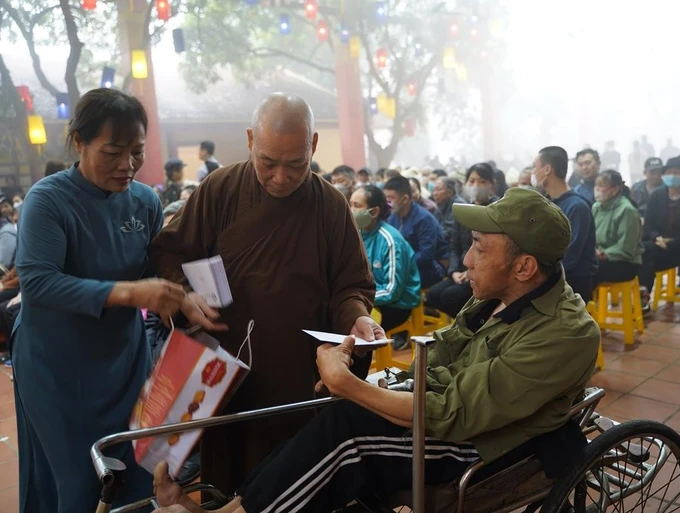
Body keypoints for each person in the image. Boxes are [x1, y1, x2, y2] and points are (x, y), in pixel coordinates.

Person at [151, 188, 600, 513]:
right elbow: (442, 353)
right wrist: (376, 385)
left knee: (348, 432)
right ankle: (233, 509)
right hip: (450, 411)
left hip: (487, 442)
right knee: (327, 410)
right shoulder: (494, 297)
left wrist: (351, 385)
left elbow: (456, 413)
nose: (466, 260)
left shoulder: (566, 334)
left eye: (480, 249)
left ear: (523, 266)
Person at [150, 92, 381, 496]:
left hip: (298, 375)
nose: (280, 177)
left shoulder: (330, 206)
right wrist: (185, 296)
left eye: (296, 165)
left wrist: (356, 318)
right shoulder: (220, 189)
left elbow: (350, 286)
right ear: (250, 140)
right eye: (268, 163)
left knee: (294, 483)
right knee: (226, 477)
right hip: (224, 373)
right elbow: (171, 251)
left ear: (312, 146)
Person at [11, 88, 221, 513]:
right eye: (112, 151)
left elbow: (155, 268)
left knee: (142, 469)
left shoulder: (143, 201)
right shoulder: (47, 201)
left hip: (125, 362)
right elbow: (38, 282)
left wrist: (180, 298)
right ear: (79, 142)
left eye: (137, 152)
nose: (127, 165)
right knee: (79, 480)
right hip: (57, 367)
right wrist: (129, 292)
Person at [426, 163, 499, 317]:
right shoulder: (465, 211)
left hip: (486, 272)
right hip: (461, 270)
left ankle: (472, 327)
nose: (476, 186)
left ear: (491, 184)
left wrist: (471, 271)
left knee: (450, 296)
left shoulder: (497, 211)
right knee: (433, 294)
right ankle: (465, 326)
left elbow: (495, 250)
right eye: (471, 181)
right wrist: (453, 271)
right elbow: (454, 246)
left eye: (482, 181)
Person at [350, 185, 421, 332]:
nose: (351, 210)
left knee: (353, 326)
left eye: (356, 206)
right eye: (350, 204)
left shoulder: (390, 241)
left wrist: (359, 298)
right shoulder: (357, 234)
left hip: (396, 305)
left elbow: (392, 291)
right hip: (369, 299)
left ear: (374, 211)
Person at [533, 146, 597, 302]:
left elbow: (570, 256)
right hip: (552, 273)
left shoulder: (577, 206)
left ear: (547, 169)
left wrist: (539, 275)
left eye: (535, 167)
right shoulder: (547, 203)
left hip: (572, 281)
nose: (533, 172)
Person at [639, 156, 680, 310]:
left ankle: (644, 294)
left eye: (677, 172)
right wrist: (656, 237)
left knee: (647, 257)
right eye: (669, 172)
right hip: (659, 244)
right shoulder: (656, 196)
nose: (672, 175)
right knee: (642, 251)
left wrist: (671, 243)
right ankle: (644, 295)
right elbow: (649, 224)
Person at [384, 175, 447, 289]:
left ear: (405, 199)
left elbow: (426, 256)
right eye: (386, 198)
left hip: (431, 268)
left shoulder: (424, 219)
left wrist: (398, 263)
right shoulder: (392, 217)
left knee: (393, 283)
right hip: (401, 265)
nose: (387, 202)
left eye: (391, 198)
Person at [592, 170, 643, 287]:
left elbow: (626, 247)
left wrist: (604, 254)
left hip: (625, 263)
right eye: (596, 185)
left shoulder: (627, 210)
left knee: (587, 271)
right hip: (600, 257)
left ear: (615, 189)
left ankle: (583, 303)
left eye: (602, 186)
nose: (597, 189)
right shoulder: (596, 207)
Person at [431, 177, 465, 244]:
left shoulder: (458, 205)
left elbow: (449, 231)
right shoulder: (441, 205)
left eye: (439, 189)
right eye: (434, 190)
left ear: (450, 192)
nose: (435, 193)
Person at [0, 196, 16, 269]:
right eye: (1, 208)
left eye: (6, 206)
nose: (3, 210)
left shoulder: (6, 232)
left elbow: (3, 264)